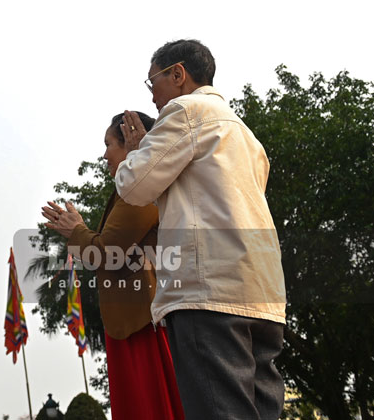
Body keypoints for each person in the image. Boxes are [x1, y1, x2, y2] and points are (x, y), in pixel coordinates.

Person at [117, 39, 286, 420]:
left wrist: (134, 154)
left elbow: (134, 185)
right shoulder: (246, 134)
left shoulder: (185, 111)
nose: (154, 97)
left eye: (153, 83)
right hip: (263, 292)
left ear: (178, 74)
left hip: (208, 293)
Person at [43, 112, 185, 420]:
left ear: (132, 140)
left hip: (142, 324)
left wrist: (76, 230)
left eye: (109, 144)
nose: (105, 154)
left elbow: (106, 253)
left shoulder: (138, 193)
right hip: (135, 320)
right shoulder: (134, 191)